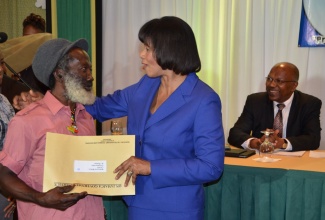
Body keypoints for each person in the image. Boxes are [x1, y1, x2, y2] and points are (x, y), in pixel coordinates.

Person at [14, 16, 225, 220]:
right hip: (139, 203)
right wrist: (46, 100)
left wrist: (149, 167)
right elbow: (96, 107)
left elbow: (211, 166)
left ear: (170, 49)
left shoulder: (203, 99)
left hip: (176, 208)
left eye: (148, 49)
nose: (141, 54)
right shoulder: (146, 87)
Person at [0, 38, 105, 219]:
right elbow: (3, 175)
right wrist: (41, 198)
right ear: (59, 74)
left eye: (90, 69)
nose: (90, 76)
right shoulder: (28, 120)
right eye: (83, 69)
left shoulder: (85, 117)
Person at [228, 62, 322, 152]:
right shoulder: (255, 101)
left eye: (279, 81)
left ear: (294, 86)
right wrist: (255, 143)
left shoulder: (309, 103)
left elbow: (313, 139)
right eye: (269, 79)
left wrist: (283, 143)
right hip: (261, 159)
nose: (271, 84)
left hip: (295, 162)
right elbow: (235, 133)